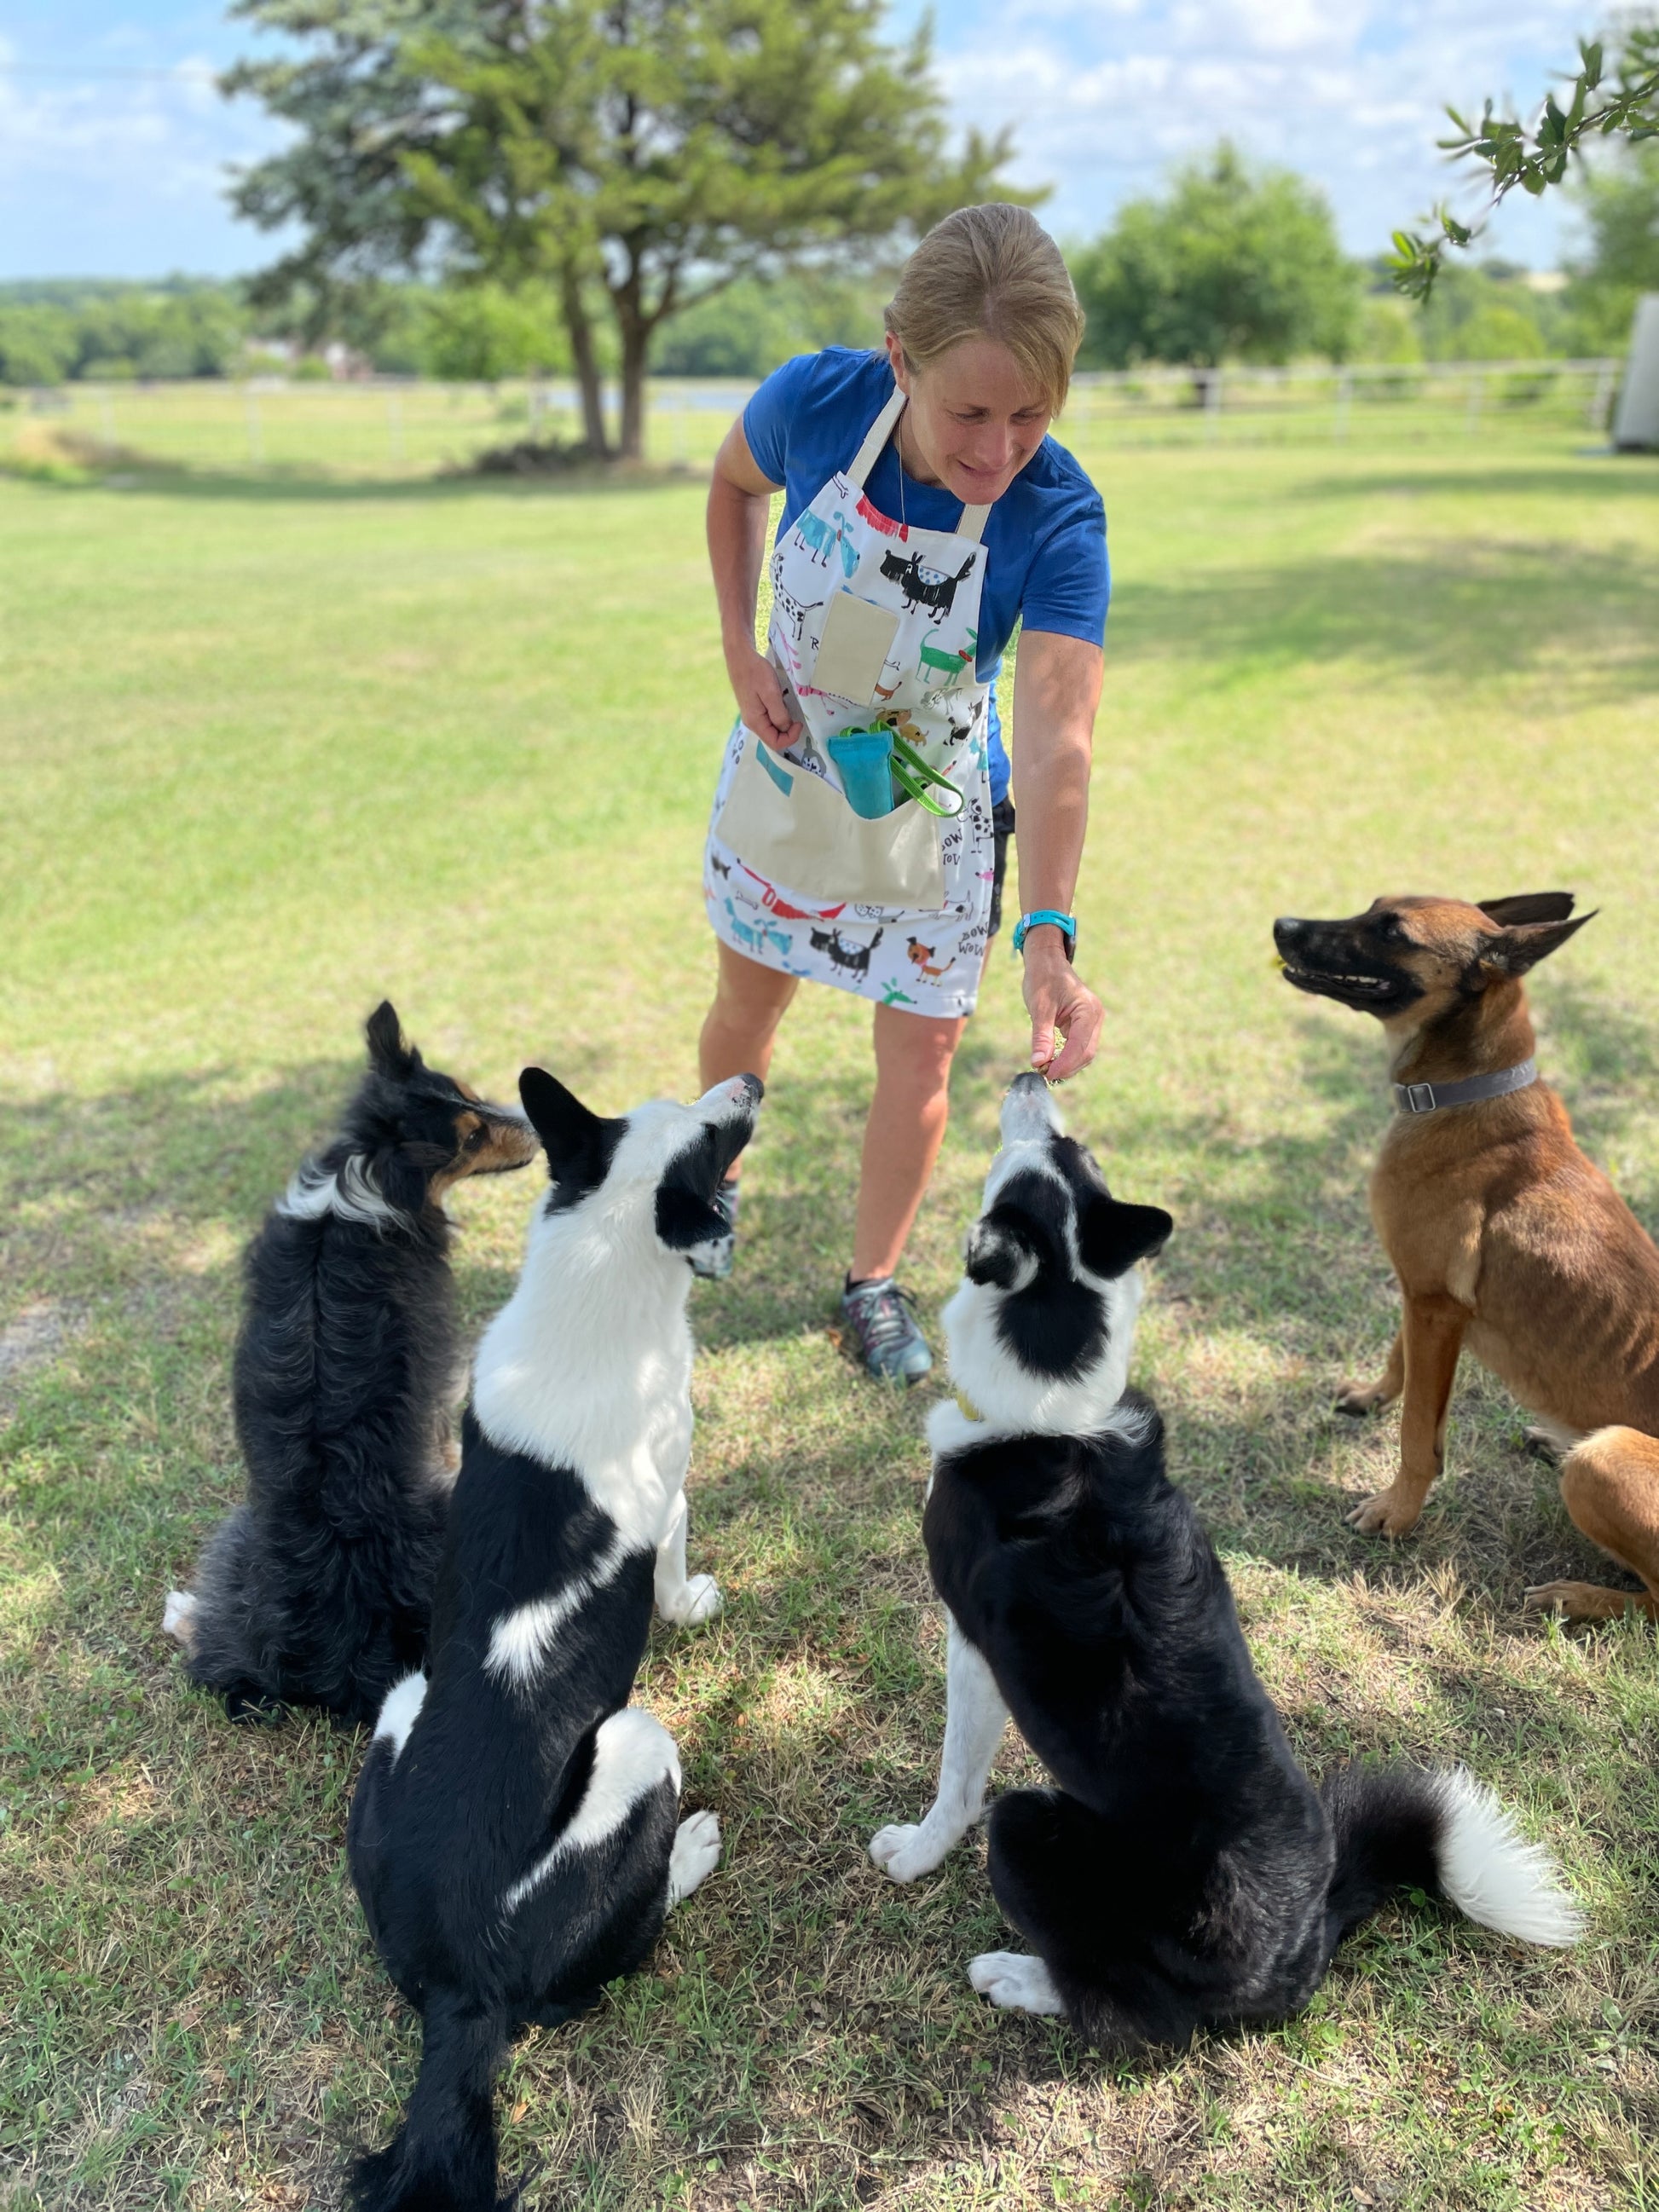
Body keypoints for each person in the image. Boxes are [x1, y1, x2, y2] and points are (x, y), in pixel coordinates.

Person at [697, 203, 1108, 1383]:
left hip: (934, 820)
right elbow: (732, 489)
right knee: (744, 1012)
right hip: (787, 773)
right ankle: (710, 1181)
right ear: (900, 359)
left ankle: (869, 1284)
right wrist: (739, 651)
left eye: (1031, 414)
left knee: (920, 1064)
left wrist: (1047, 934)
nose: (997, 449)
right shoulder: (813, 402)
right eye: (968, 410)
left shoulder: (1059, 516)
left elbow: (1056, 741)